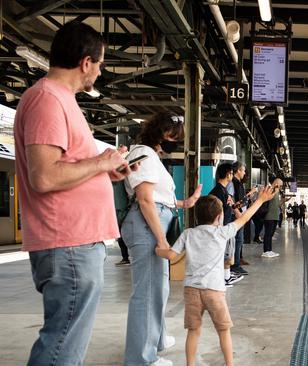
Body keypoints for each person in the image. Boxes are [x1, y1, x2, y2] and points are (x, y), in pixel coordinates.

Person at [13, 21, 133, 365]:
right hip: (68, 243)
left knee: (68, 343)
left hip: (74, 243)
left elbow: (64, 169)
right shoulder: (47, 100)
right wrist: (99, 163)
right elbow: (45, 176)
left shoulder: (59, 99)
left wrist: (104, 170)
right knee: (62, 345)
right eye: (100, 64)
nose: (99, 71)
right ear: (85, 62)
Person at [155, 186, 275, 366]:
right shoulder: (221, 233)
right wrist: (260, 200)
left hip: (191, 291)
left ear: (197, 217)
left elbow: (171, 255)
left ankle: (190, 365)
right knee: (223, 330)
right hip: (214, 291)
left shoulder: (188, 233)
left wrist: (158, 250)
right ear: (219, 217)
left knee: (193, 331)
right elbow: (244, 218)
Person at [121, 111, 202, 366]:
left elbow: (158, 197)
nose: (174, 142)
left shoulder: (151, 156)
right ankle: (141, 359)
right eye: (172, 136)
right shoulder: (142, 154)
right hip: (146, 226)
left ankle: (156, 338)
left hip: (152, 223)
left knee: (159, 288)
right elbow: (145, 199)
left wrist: (184, 202)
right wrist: (162, 240)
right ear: (160, 133)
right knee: (146, 292)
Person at [209, 163, 243, 287]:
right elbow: (217, 211)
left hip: (226, 226)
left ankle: (226, 276)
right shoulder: (218, 191)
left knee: (228, 252)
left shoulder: (222, 190)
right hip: (222, 228)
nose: (232, 176)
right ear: (228, 174)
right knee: (226, 253)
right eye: (232, 173)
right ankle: (224, 278)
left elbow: (228, 207)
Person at [230, 161, 254, 275]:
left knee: (238, 239)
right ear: (238, 170)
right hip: (237, 215)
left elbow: (240, 200)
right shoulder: (235, 183)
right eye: (243, 170)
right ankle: (235, 265)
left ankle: (236, 263)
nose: (245, 173)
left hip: (238, 214)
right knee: (237, 239)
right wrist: (237, 212)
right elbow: (235, 201)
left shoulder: (237, 183)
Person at [262, 178, 283, 257]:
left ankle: (269, 250)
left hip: (275, 216)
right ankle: (265, 251)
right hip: (269, 216)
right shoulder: (270, 189)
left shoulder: (277, 192)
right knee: (268, 234)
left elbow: (276, 204)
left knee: (271, 234)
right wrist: (275, 192)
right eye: (280, 185)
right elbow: (266, 198)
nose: (281, 187)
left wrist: (283, 201)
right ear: (276, 183)